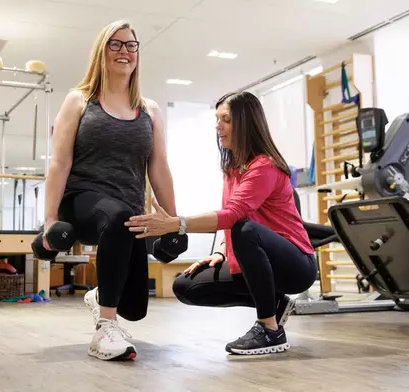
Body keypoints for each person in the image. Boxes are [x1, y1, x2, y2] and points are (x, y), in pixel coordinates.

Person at [125, 91, 317, 355]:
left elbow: (233, 216)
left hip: (296, 266)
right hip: (259, 258)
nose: (218, 126)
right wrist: (220, 251)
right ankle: (275, 304)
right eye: (217, 119)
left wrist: (174, 224)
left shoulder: (264, 166)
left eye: (225, 119)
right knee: (186, 286)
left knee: (244, 228)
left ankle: (270, 330)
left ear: (246, 122)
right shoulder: (232, 168)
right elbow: (231, 213)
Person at [42, 19, 178, 361]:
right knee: (116, 216)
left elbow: (159, 166)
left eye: (131, 45)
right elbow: (59, 163)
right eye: (115, 44)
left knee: (135, 307)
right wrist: (49, 221)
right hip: (82, 201)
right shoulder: (79, 101)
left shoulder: (149, 110)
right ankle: (104, 329)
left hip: (128, 212)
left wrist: (173, 222)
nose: (124, 51)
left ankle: (102, 297)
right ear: (101, 52)